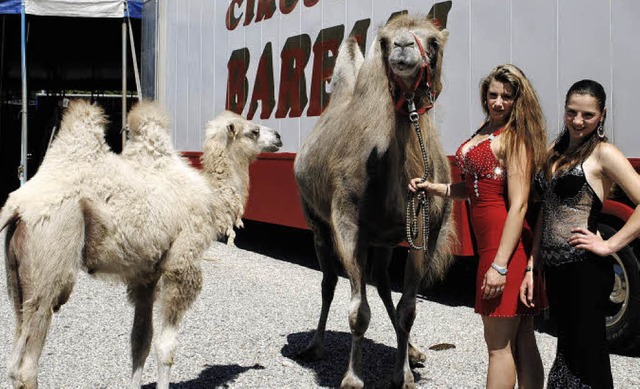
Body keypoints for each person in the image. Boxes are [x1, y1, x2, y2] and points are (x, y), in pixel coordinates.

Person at [410, 64, 547, 388]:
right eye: (493, 95)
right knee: (522, 338)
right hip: (500, 245)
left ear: (517, 100)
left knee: (498, 347)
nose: (498, 102)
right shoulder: (487, 131)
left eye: (506, 97)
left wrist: (499, 266)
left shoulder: (513, 139)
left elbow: (520, 205)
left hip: (504, 247)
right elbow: (476, 188)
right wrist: (438, 188)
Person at [520, 79, 640, 388]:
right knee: (568, 351)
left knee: (588, 356)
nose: (577, 121)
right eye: (571, 112)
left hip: (585, 269)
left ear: (602, 115)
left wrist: (610, 244)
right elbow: (545, 211)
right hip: (556, 271)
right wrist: (533, 266)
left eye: (587, 115)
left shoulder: (604, 153)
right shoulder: (554, 150)